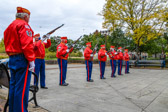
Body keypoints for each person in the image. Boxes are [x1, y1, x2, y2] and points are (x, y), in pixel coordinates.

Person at [4, 7, 35, 112]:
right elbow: (26, 44)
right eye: (29, 17)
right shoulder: (24, 25)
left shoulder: (9, 26)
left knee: (14, 87)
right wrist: (31, 60)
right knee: (22, 89)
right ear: (26, 17)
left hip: (12, 58)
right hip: (22, 58)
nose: (29, 19)